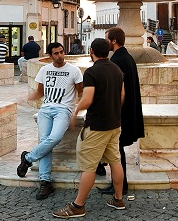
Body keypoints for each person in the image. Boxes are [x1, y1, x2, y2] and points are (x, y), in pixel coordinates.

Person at [51, 38, 125, 218]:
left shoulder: (92, 72)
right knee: (115, 161)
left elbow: (88, 98)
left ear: (91, 50)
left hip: (97, 125)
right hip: (114, 124)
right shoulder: (117, 69)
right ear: (108, 51)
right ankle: (118, 199)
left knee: (89, 166)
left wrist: (75, 111)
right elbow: (122, 95)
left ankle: (78, 206)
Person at [17, 42, 84, 200]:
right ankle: (45, 181)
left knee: (55, 137)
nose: (60, 55)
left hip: (64, 109)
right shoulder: (44, 70)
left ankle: (28, 158)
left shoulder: (74, 71)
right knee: (46, 141)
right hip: (46, 109)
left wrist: (76, 112)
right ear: (50, 56)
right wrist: (24, 98)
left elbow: (81, 93)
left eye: (61, 52)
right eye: (56, 53)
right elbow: (40, 93)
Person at [95, 27, 143, 201]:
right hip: (128, 111)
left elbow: (117, 90)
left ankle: (120, 187)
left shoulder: (117, 60)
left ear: (114, 41)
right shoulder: (127, 57)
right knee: (117, 151)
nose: (105, 41)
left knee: (117, 152)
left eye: (107, 39)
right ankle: (121, 184)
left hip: (120, 113)